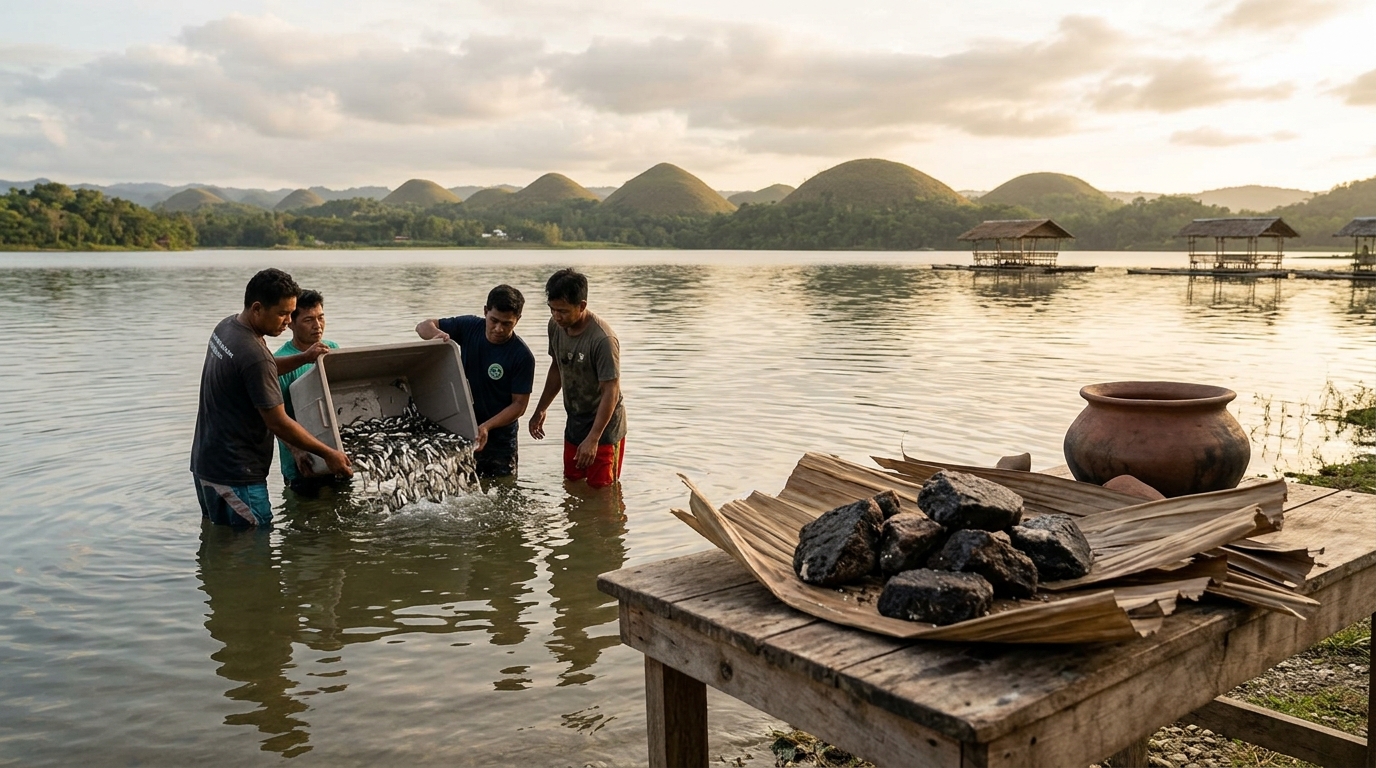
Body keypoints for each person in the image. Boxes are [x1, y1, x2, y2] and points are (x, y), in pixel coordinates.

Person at [190, 268, 352, 528]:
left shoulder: (228, 327)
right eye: (282, 314)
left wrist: (302, 358)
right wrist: (328, 453)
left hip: (206, 465)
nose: (288, 321)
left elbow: (258, 369)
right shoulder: (255, 354)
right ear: (257, 308)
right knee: (255, 555)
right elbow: (277, 421)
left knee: (220, 550)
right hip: (238, 475)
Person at [415, 284, 535, 478]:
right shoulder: (470, 326)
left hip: (501, 438)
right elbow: (422, 327)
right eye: (493, 320)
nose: (498, 329)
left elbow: (519, 406)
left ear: (517, 320)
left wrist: (487, 426)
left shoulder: (522, 356)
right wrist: (437, 336)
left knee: (503, 490)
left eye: (507, 324)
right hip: (465, 428)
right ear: (486, 311)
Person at [529, 268, 626, 489]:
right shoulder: (555, 326)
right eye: (552, 309)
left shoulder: (603, 339)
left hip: (605, 428)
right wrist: (541, 408)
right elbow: (557, 368)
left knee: (602, 491)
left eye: (562, 311)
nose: (556, 316)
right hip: (575, 421)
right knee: (571, 483)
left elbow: (610, 391)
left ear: (581, 306)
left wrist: (593, 439)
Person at [274, 289, 340, 496]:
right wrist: (296, 450)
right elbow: (272, 418)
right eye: (308, 320)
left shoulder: (332, 349)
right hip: (302, 462)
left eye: (321, 317)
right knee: (306, 520)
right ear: (291, 323)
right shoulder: (281, 363)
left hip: (334, 451)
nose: (317, 325)